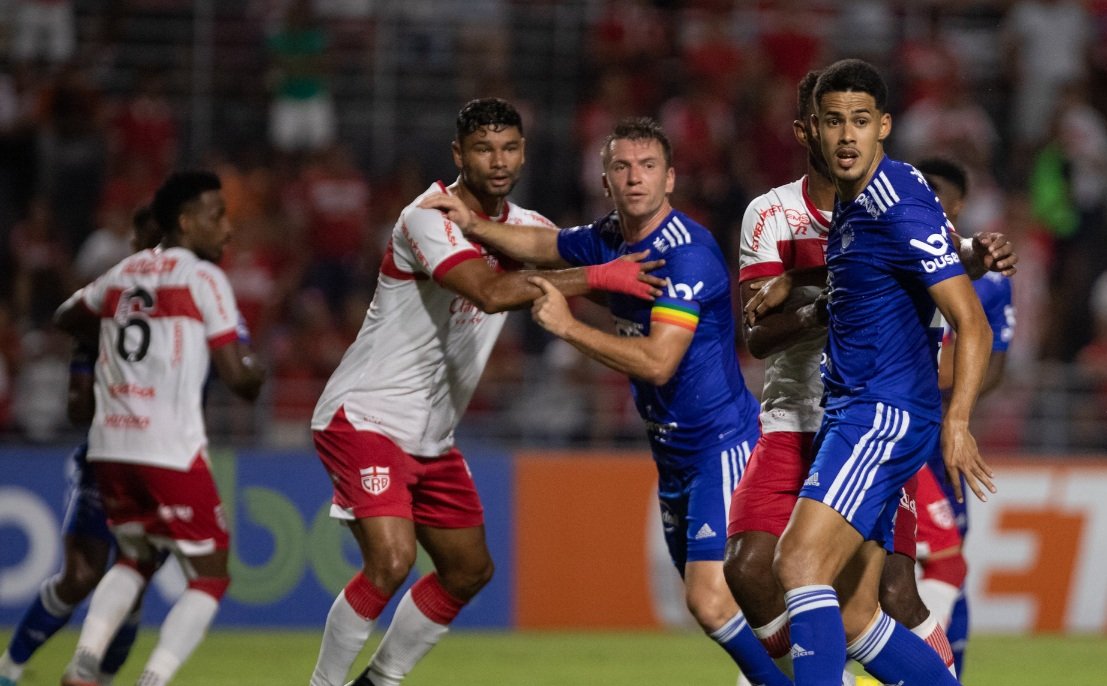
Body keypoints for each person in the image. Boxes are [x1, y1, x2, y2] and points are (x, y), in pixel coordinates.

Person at [307, 98, 666, 686]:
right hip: (365, 415)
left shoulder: (526, 229)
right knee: (391, 560)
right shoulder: (427, 217)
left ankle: (380, 680)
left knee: (467, 570)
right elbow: (492, 292)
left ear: (523, 152)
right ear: (458, 154)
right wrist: (600, 276)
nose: (498, 161)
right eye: (483, 148)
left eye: (509, 148)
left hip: (432, 436)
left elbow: (595, 277)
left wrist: (668, 292)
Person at [422, 116, 790, 686]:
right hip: (673, 457)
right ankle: (815, 671)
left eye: (648, 167)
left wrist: (566, 328)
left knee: (711, 600)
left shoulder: (686, 254)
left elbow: (658, 361)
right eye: (622, 166)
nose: (635, 177)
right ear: (605, 178)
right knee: (726, 604)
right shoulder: (610, 241)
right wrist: (476, 224)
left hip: (723, 445)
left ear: (670, 180)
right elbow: (545, 245)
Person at [725, 71, 1017, 684]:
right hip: (855, 415)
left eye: (860, 120)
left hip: (879, 415)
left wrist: (958, 422)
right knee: (859, 615)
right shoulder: (862, 205)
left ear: (884, 126)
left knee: (798, 563)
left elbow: (974, 322)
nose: (847, 135)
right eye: (834, 121)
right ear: (812, 131)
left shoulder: (895, 200)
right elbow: (866, 273)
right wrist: (797, 280)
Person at [55, 171, 267, 686]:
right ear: (185, 222)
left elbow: (66, 315)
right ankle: (154, 679)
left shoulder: (125, 273)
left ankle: (84, 663)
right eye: (217, 216)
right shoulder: (203, 278)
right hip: (167, 447)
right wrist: (255, 368)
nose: (228, 229)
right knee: (211, 578)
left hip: (110, 446)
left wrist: (108, 333)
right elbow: (240, 380)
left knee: (135, 557)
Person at [0, 207, 161, 686]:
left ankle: (97, 678)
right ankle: (8, 669)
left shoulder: (189, 310)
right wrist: (119, 392)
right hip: (107, 456)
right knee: (81, 576)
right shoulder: (103, 313)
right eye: (144, 244)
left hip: (162, 462)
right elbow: (76, 408)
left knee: (133, 586)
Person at [913, 157, 1015, 675]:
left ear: (957, 205)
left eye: (935, 191)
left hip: (941, 438)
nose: (925, 197)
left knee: (949, 558)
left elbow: (995, 367)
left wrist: (957, 410)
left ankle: (950, 668)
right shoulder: (902, 251)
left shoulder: (990, 281)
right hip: (894, 426)